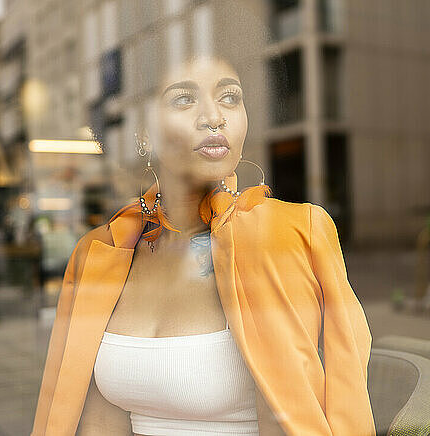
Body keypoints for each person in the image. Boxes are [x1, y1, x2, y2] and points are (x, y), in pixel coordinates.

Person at [30, 32, 375, 436]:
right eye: (184, 99)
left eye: (230, 98)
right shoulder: (101, 252)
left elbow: (289, 415)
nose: (214, 116)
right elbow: (99, 420)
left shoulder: (287, 235)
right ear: (143, 132)